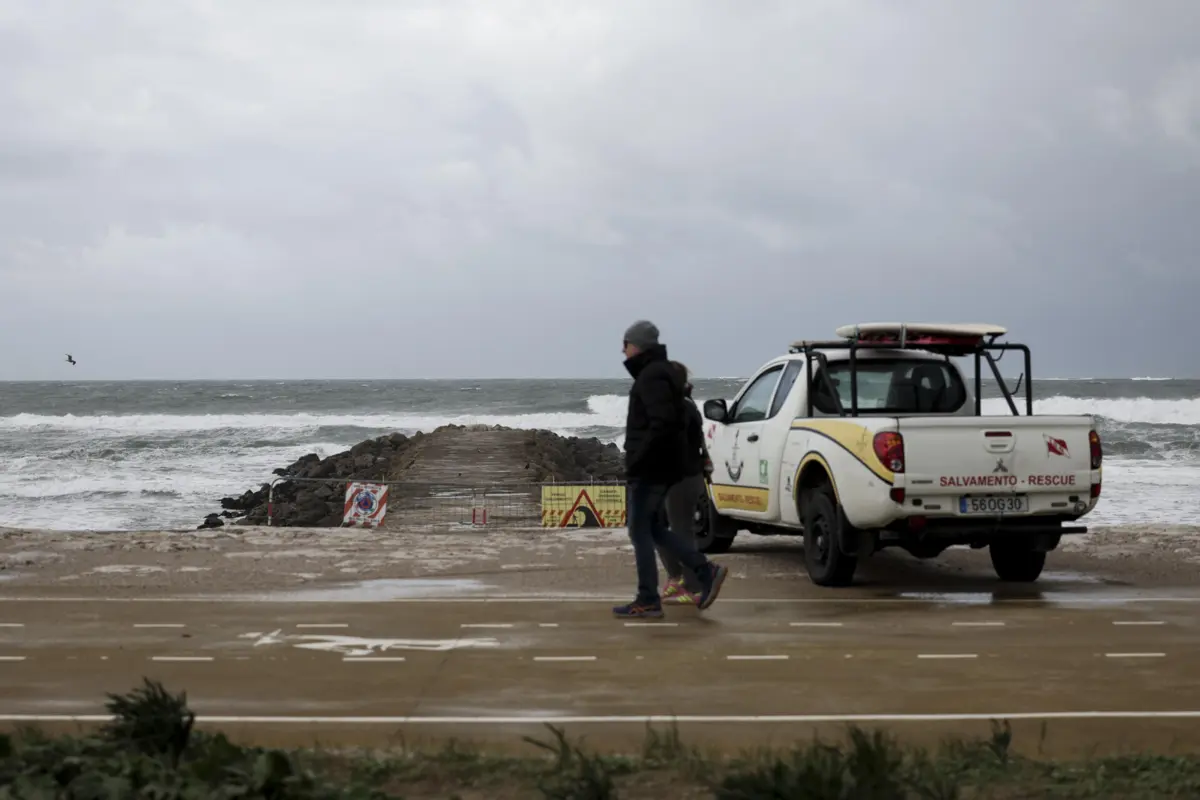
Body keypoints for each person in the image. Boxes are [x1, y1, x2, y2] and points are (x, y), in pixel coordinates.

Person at [614, 320, 728, 619]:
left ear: (637, 345)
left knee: (640, 531)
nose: (622, 351)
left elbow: (662, 424)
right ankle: (702, 570)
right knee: (651, 529)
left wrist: (638, 459)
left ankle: (650, 598)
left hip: (650, 469)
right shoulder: (660, 374)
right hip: (659, 467)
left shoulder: (651, 376)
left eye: (625, 344)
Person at [658, 360, 710, 604]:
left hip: (682, 478)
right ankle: (677, 577)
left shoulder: (681, 407)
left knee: (681, 531)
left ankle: (694, 586)